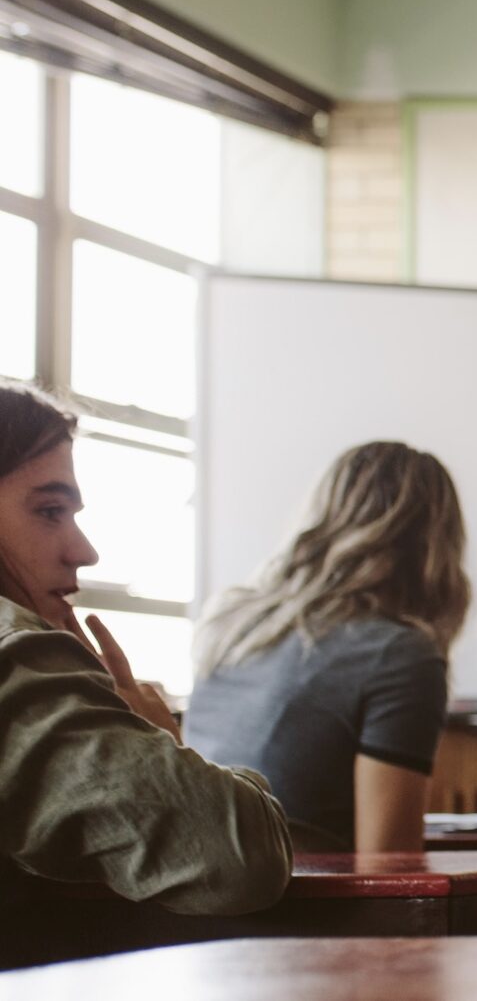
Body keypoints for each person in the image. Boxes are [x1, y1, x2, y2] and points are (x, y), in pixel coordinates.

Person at [0, 380, 291, 917]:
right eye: (48, 511)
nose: (83, 552)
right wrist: (162, 742)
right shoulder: (18, 656)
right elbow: (238, 860)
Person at [186, 442, 470, 853]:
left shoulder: (231, 623)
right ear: (436, 543)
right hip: (298, 906)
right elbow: (388, 865)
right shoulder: (401, 654)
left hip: (190, 897)